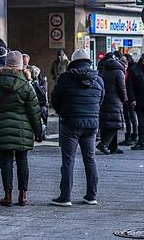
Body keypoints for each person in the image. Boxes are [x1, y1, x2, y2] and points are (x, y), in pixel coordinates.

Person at [0, 51, 43, 207]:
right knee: (22, 161)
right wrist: (38, 131)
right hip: (23, 129)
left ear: (6, 63)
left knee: (6, 161)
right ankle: (23, 195)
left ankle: (7, 195)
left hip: (3, 127)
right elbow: (34, 111)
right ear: (21, 65)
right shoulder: (26, 84)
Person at [50, 48, 104, 207]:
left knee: (68, 160)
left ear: (73, 62)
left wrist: (63, 112)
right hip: (91, 124)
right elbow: (101, 100)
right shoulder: (98, 79)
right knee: (90, 158)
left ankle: (65, 197)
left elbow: (55, 100)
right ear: (88, 61)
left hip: (70, 123)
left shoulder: (65, 78)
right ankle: (92, 195)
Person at [96, 52, 126, 155]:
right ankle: (104, 144)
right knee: (115, 124)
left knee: (108, 123)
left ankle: (113, 147)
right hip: (115, 101)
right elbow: (122, 88)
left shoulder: (104, 70)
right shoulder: (119, 72)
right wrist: (124, 99)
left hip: (105, 99)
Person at [119, 53, 139, 147]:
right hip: (125, 97)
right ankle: (128, 136)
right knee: (127, 117)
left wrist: (132, 97)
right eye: (122, 60)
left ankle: (134, 136)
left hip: (130, 97)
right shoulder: (124, 70)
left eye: (125, 60)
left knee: (132, 116)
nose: (123, 62)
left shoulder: (132, 70)